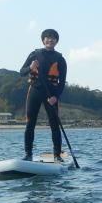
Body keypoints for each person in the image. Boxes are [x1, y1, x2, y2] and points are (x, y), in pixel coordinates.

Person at [20, 28, 67, 161]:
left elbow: (62, 82)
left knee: (54, 124)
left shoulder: (60, 59)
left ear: (56, 41)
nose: (50, 40)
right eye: (47, 37)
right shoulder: (34, 55)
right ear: (43, 40)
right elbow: (21, 72)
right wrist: (30, 67)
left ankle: (57, 155)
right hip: (35, 91)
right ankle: (28, 154)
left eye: (53, 38)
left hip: (51, 95)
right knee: (30, 123)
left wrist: (55, 97)